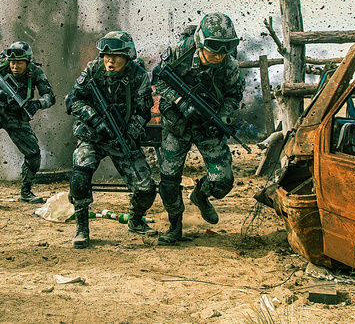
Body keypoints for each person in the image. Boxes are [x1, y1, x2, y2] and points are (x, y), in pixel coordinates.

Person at [152, 13, 243, 245]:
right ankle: (175, 226)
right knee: (169, 182)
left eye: (226, 48)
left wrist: (223, 116)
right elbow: (159, 80)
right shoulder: (179, 53)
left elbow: (234, 95)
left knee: (223, 181)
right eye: (214, 48)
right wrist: (179, 101)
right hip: (177, 125)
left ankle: (200, 195)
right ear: (200, 43)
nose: (219, 55)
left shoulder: (230, 66)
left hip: (207, 126)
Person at [65, 31, 158, 249]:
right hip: (92, 136)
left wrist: (128, 135)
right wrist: (95, 119)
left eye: (116, 56)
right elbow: (73, 100)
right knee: (79, 178)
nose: (110, 61)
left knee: (146, 189)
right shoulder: (93, 69)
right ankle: (82, 228)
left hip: (122, 138)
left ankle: (135, 220)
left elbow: (143, 111)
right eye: (107, 56)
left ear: (127, 57)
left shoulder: (138, 76)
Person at [0, 41, 55, 203]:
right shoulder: (1, 65)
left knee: (33, 154)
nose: (15, 66)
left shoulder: (35, 72)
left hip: (16, 114)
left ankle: (26, 191)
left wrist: (37, 104)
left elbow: (49, 96)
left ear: (28, 62)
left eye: (20, 63)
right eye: (13, 62)